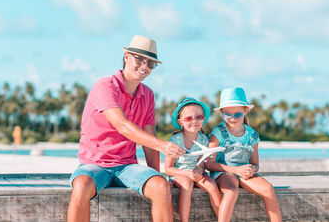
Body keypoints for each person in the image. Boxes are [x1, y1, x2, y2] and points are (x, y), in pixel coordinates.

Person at [67, 35, 185, 222]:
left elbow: (148, 137)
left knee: (161, 186)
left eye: (151, 63)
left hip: (127, 166)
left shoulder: (147, 94)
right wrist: (163, 145)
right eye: (139, 59)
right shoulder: (105, 86)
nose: (145, 66)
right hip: (95, 164)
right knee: (81, 185)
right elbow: (122, 125)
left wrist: (156, 173)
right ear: (126, 56)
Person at [206, 87, 282, 222]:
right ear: (222, 113)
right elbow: (209, 164)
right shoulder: (218, 132)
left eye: (238, 114)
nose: (232, 118)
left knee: (269, 189)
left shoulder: (252, 135)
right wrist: (235, 170)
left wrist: (252, 169)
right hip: (223, 172)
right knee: (231, 191)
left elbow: (255, 164)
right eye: (228, 114)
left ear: (245, 111)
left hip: (244, 174)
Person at [165, 98, 222, 222]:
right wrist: (187, 173)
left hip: (197, 173)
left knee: (211, 184)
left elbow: (202, 164)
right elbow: (168, 169)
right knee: (187, 183)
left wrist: (198, 171)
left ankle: (223, 219)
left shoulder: (204, 140)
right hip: (179, 174)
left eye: (198, 117)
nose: (194, 121)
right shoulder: (174, 141)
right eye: (188, 118)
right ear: (181, 122)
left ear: (203, 119)